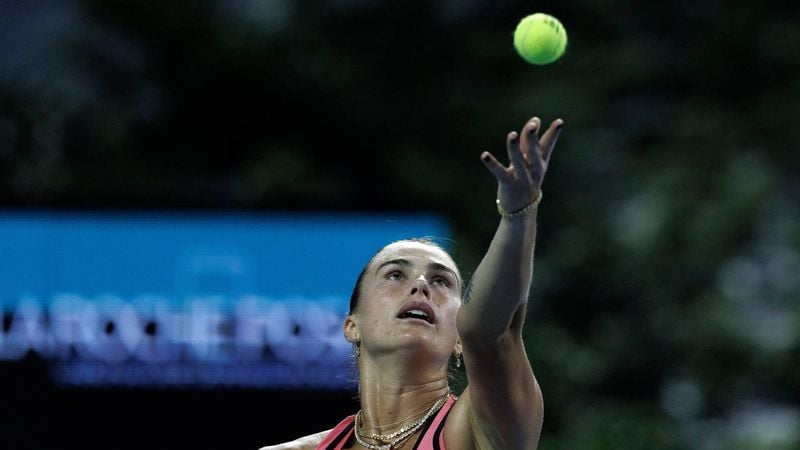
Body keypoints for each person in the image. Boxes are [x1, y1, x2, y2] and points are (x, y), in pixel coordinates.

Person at [260, 115, 563, 450]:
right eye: (394, 274)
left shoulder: (477, 432)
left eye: (442, 281)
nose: (420, 285)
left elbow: (493, 331)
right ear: (352, 325)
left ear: (458, 338)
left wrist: (518, 215)